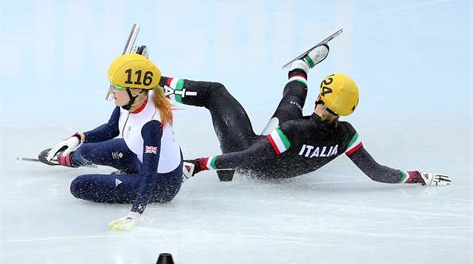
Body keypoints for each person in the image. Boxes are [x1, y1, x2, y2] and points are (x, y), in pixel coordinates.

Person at [161, 44, 451, 186]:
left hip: (255, 157)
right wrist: (417, 177)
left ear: (321, 98)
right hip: (281, 157)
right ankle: (300, 67)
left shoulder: (294, 131)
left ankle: (155, 83)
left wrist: (200, 165)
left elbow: (249, 156)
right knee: (290, 103)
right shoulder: (346, 134)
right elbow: (376, 172)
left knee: (216, 93)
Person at [40, 52, 183, 230]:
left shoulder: (151, 126)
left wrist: (135, 213)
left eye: (116, 87)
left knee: (80, 185)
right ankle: (70, 158)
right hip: (137, 154)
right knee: (85, 150)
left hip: (161, 184)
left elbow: (150, 173)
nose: (111, 91)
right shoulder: (133, 98)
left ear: (137, 90)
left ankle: (126, 179)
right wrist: (77, 138)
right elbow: (111, 128)